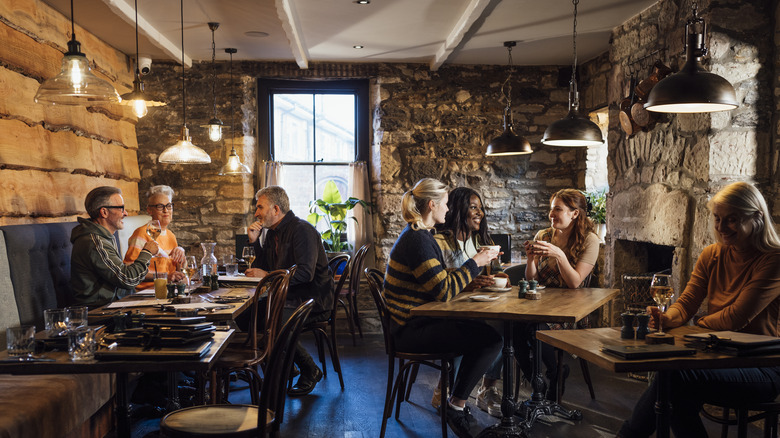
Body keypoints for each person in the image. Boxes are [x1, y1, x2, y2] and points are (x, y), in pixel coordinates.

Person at [618, 181, 780, 438]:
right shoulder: (712, 254)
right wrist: (667, 317)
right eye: (717, 219)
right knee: (672, 385)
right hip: (716, 356)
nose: (721, 227)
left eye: (732, 220)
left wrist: (695, 326)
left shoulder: (773, 258)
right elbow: (686, 304)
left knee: (673, 381)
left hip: (763, 367)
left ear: (757, 218)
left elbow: (737, 317)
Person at [383, 178, 502, 438]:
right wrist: (475, 262)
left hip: (416, 322)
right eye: (446, 204)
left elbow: (436, 279)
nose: (448, 210)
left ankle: (456, 402)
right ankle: (456, 407)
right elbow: (444, 291)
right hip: (409, 330)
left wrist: (467, 279)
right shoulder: (419, 239)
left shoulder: (419, 234)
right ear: (431, 205)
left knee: (485, 332)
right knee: (491, 339)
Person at [245, 186, 334, 396]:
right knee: (247, 317)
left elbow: (305, 274)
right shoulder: (272, 233)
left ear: (276, 209)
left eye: (260, 207)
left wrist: (266, 274)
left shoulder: (302, 230)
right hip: (288, 298)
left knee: (272, 321)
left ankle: (309, 370)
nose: (256, 213)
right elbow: (264, 266)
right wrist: (254, 242)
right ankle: (284, 365)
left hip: (312, 301)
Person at [516, 188, 600, 400]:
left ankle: (556, 373)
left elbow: (574, 283)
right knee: (513, 328)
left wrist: (560, 255)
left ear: (574, 213)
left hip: (569, 311)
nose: (551, 214)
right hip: (540, 305)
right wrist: (530, 259)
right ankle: (536, 381)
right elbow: (531, 280)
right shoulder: (543, 235)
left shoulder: (589, 241)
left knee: (535, 329)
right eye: (551, 209)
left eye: (557, 210)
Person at [433, 187, 503, 417]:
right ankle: (448, 384)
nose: (480, 212)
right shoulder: (439, 241)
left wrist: (498, 277)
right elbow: (439, 282)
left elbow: (499, 274)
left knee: (503, 328)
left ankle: (488, 388)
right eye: (473, 207)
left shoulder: (482, 240)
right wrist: (468, 280)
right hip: (449, 310)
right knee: (485, 331)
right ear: (457, 209)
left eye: (480, 207)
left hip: (480, 304)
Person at [70, 186, 158, 307]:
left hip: (116, 304)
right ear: (104, 212)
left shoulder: (103, 237)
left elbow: (120, 273)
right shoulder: (95, 243)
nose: (125, 213)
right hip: (99, 310)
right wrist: (147, 252)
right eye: (121, 208)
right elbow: (128, 279)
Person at [123, 185, 186, 289]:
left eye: (169, 205)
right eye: (160, 206)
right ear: (149, 210)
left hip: (168, 290)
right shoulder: (141, 234)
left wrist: (181, 254)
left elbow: (178, 271)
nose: (166, 210)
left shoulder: (171, 236)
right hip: (146, 293)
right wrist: (164, 277)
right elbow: (130, 270)